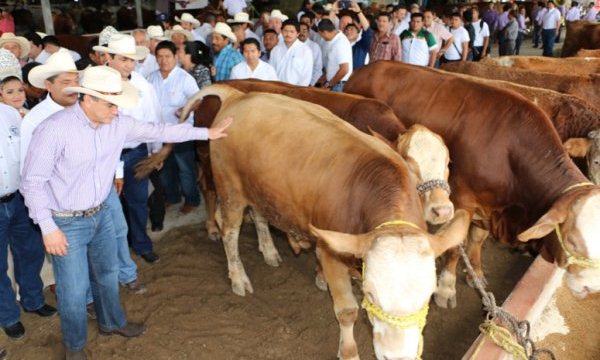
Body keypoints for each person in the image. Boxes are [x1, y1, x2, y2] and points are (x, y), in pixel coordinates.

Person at [20, 65, 232, 360]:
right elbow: (32, 182)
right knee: (73, 289)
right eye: (110, 104)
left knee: (108, 274)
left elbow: (159, 129)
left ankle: (112, 323)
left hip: (103, 212)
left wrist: (207, 132)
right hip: (65, 222)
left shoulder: (116, 123)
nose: (116, 111)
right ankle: (75, 346)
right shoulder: (53, 129)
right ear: (88, 100)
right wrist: (47, 226)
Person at [0, 49, 56, 343]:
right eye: (10, 91)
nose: (18, 94)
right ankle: (8, 316)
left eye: (20, 89)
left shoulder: (22, 117)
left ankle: (32, 300)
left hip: (21, 199)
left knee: (30, 253)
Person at [94, 34, 162, 268]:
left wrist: (156, 152)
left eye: (131, 60)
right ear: (108, 58)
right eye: (123, 59)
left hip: (136, 151)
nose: (128, 64)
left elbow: (153, 119)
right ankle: (113, 252)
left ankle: (141, 245)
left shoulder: (143, 85)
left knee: (138, 201)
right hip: (105, 155)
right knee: (106, 206)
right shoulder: (95, 84)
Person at [148, 41, 203, 213]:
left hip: (181, 131)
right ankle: (172, 197)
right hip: (160, 132)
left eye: (167, 56)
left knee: (185, 168)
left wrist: (185, 108)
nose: (164, 60)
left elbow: (198, 99)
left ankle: (192, 200)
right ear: (156, 58)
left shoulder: (184, 78)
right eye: (160, 57)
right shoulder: (151, 78)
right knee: (165, 168)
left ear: (175, 57)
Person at [269, 20, 313, 86]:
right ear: (281, 31)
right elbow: (271, 71)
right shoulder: (275, 50)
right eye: (285, 31)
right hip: (277, 89)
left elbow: (306, 75)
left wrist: (299, 91)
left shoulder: (305, 51)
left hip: (297, 90)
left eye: (292, 32)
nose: (288, 34)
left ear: (297, 33)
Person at [317, 19, 352, 92]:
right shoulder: (334, 39)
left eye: (320, 34)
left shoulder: (340, 44)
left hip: (339, 85)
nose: (321, 37)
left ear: (325, 32)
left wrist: (329, 85)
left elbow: (344, 69)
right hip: (334, 83)